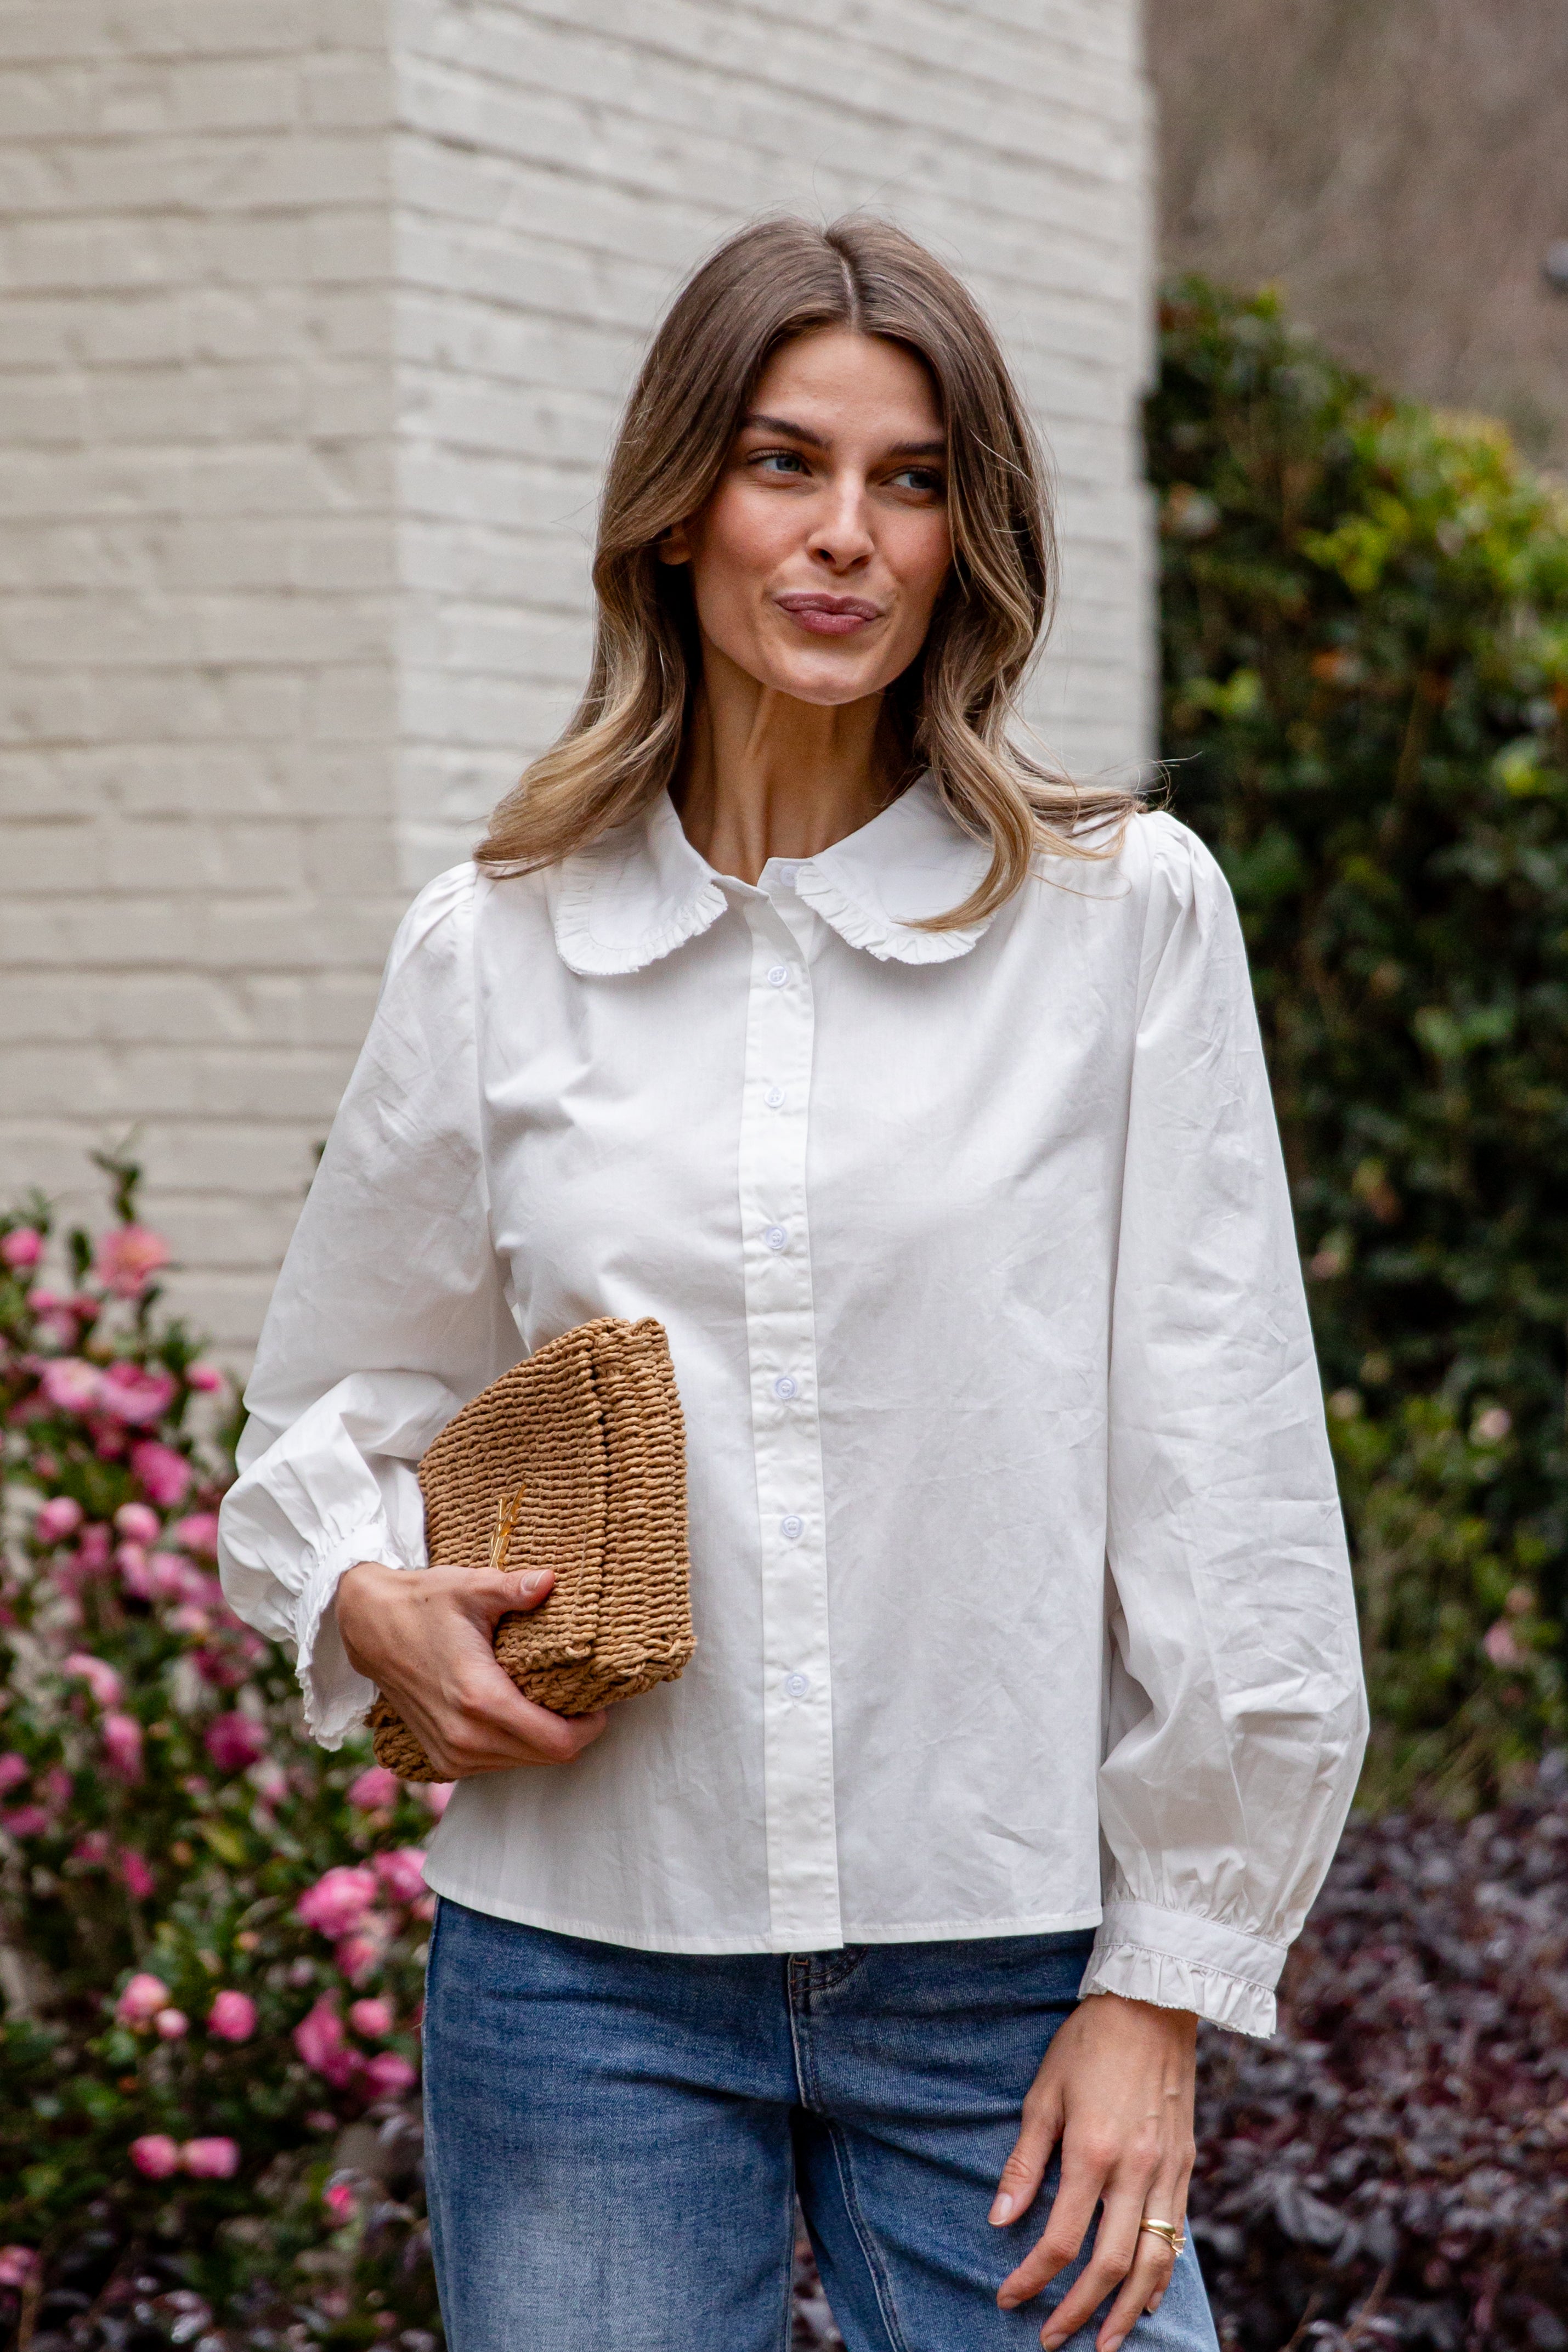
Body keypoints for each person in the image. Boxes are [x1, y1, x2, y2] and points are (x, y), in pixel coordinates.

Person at [218, 216, 1368, 2352]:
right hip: (579, 1972)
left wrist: (1160, 1988)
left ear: (962, 538)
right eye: (784, 464)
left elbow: (1226, 1476)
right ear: (678, 513)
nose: (846, 533)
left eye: (910, 481)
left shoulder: (1118, 922)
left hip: (1010, 1965)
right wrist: (361, 1593)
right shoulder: (496, 945)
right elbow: (334, 1408)